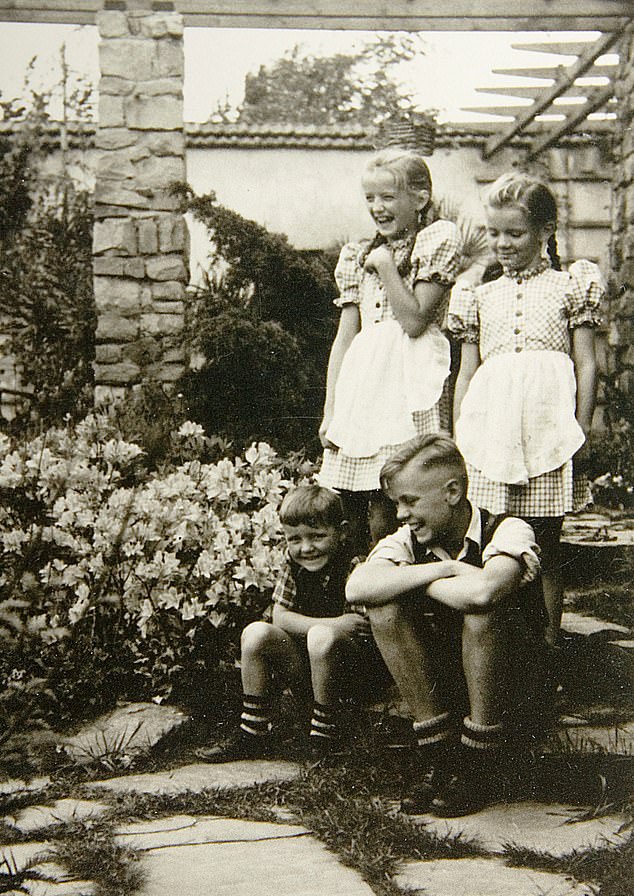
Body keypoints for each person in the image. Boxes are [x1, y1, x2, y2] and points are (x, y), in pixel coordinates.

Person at [346, 434, 545, 817]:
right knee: (383, 608)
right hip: (449, 681)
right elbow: (358, 586)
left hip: (514, 684)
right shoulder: (408, 538)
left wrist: (415, 579)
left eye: (410, 501)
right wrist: (448, 569)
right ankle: (440, 757)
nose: (400, 514)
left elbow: (484, 593)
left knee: (482, 614)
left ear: (452, 492)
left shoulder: (507, 529)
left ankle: (478, 762)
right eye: (397, 503)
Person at [449, 171, 604, 648]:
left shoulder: (568, 285)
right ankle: (495, 637)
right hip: (491, 431)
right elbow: (468, 373)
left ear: (544, 231)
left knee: (546, 540)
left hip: (546, 431)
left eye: (514, 233)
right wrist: (459, 436)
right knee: (492, 533)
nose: (502, 243)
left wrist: (581, 426)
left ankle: (549, 639)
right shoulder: (479, 294)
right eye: (494, 233)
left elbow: (586, 361)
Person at [318, 148, 463, 550]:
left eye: (388, 197)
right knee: (368, 509)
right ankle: (380, 597)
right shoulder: (356, 256)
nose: (377, 208)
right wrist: (331, 411)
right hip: (366, 391)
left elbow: (415, 321)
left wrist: (385, 266)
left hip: (411, 387)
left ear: (419, 198)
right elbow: (345, 338)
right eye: (370, 198)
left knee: (409, 498)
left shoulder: (434, 242)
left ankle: (424, 599)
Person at [201, 484, 385, 762]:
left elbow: (357, 627)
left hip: (351, 674)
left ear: (342, 531)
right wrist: (333, 624)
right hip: (307, 668)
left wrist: (322, 629)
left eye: (317, 536)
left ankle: (325, 737)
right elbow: (280, 617)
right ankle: (253, 731)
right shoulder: (293, 564)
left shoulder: (355, 564)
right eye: (295, 539)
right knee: (256, 633)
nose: (306, 548)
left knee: (321, 637)